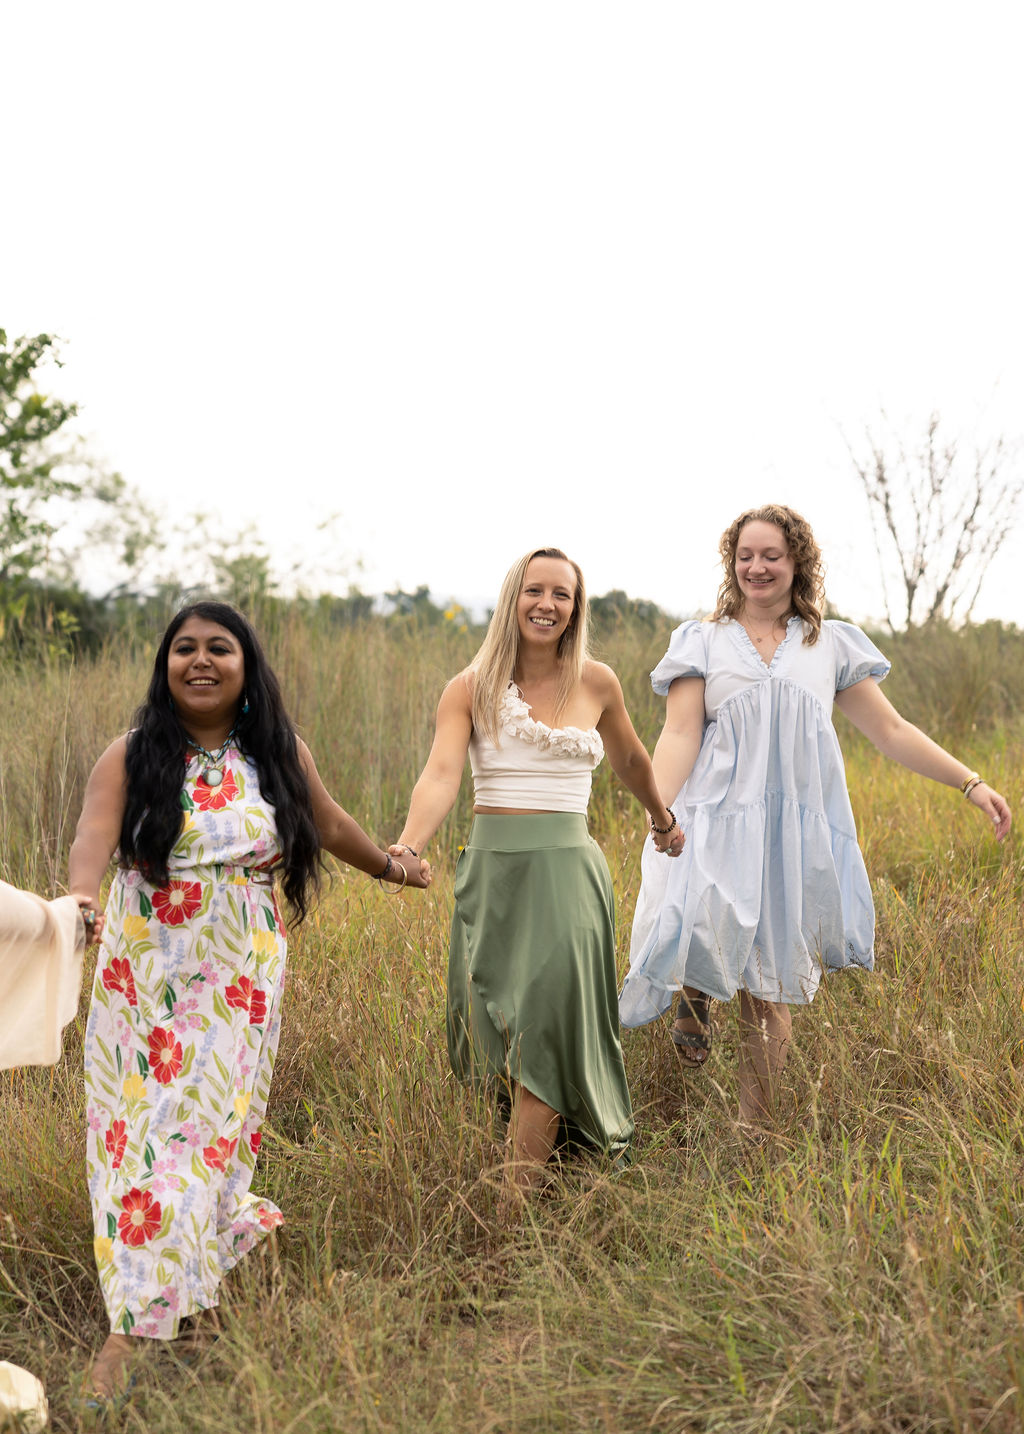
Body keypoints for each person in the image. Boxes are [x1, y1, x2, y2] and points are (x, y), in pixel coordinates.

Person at [68, 601, 430, 1402]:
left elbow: (330, 824)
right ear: (165, 666)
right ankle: (141, 1327)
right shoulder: (131, 754)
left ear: (246, 664)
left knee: (202, 1146)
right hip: (142, 985)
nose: (200, 661)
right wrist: (81, 901)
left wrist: (393, 868)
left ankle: (156, 1322)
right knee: (138, 1149)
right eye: (184, 649)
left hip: (237, 987)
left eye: (218, 648)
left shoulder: (277, 754)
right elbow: (94, 835)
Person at [619, 504, 1011, 1132]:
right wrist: (657, 807)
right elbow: (679, 734)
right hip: (717, 815)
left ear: (797, 561)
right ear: (732, 564)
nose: (757, 567)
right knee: (701, 913)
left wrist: (970, 781)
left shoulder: (826, 643)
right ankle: (695, 988)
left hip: (790, 833)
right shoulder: (705, 639)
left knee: (771, 982)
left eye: (771, 555)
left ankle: (756, 1127)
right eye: (745, 555)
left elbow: (891, 729)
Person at [391, 547, 684, 1191]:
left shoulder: (597, 682)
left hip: (567, 879)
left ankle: (507, 1219)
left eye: (562, 595)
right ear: (511, 598)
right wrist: (410, 846)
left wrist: (661, 819)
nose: (547, 605)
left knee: (545, 1032)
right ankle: (543, 1173)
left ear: (576, 609)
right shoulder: (468, 688)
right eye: (534, 591)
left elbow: (633, 760)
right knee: (498, 1032)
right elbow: (441, 773)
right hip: (494, 875)